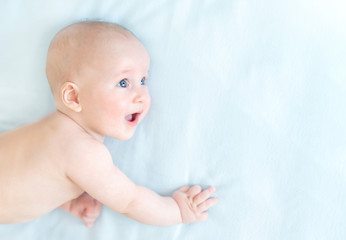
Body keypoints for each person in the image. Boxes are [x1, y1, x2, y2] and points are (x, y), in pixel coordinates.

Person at [0, 21, 218, 228]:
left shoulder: (54, 133)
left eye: (143, 80)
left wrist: (68, 200)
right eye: (123, 83)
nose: (141, 95)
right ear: (74, 98)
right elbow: (130, 201)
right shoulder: (85, 153)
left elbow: (31, 180)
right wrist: (179, 211)